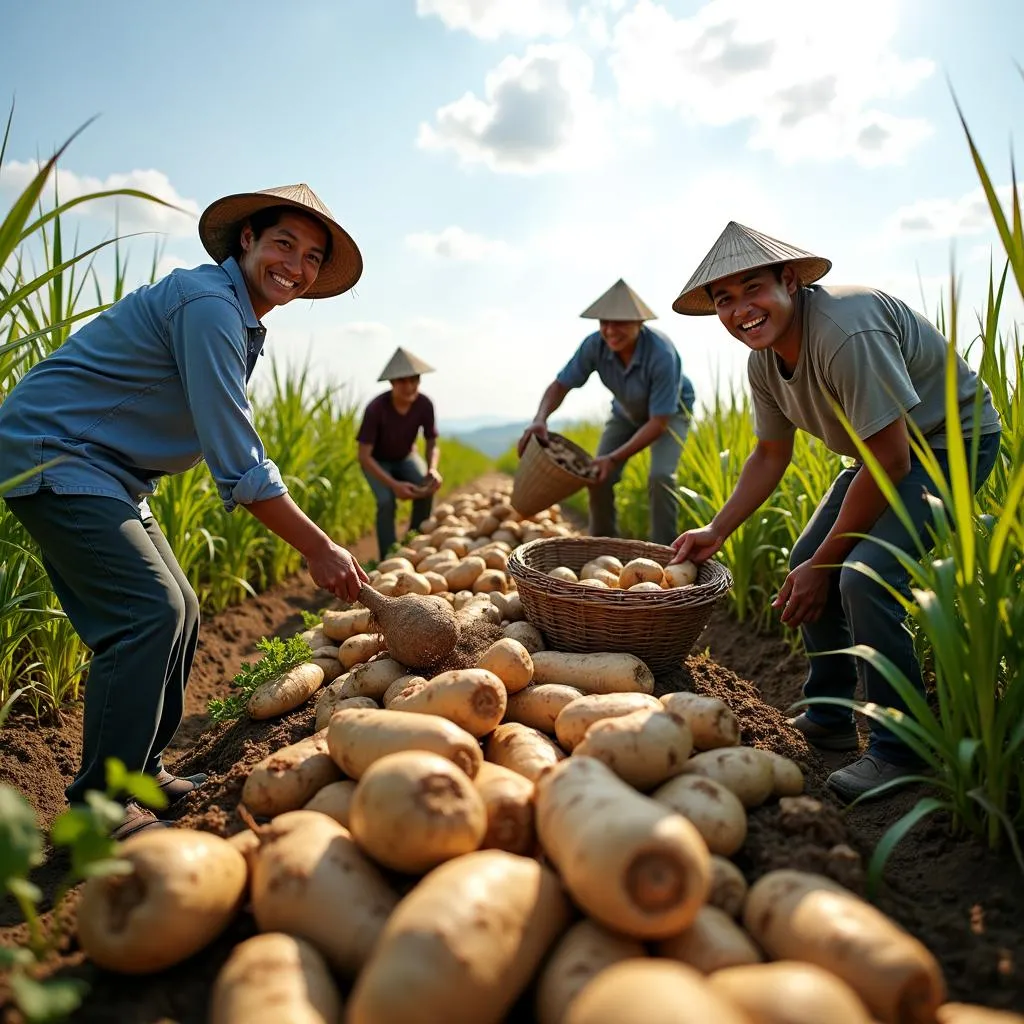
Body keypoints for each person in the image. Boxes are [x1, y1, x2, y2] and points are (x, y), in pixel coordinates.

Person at [0, 183, 370, 837]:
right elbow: (239, 462)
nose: (297, 265)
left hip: (109, 472)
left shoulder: (233, 312)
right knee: (148, 612)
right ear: (248, 240)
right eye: (285, 242)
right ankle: (98, 808)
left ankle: (143, 770)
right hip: (54, 454)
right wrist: (316, 546)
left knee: (183, 607)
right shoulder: (209, 307)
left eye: (313, 256)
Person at [668, 221, 1002, 802]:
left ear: (790, 281)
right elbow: (771, 454)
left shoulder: (846, 331)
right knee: (805, 558)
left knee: (861, 577)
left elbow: (893, 461)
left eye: (754, 288)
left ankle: (903, 749)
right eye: (725, 299)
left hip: (951, 445)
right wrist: (717, 529)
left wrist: (827, 565)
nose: (742, 309)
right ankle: (829, 714)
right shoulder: (764, 361)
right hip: (883, 456)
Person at [518, 279, 696, 547]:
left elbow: (658, 423)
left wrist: (613, 458)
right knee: (597, 474)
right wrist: (539, 419)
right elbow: (560, 385)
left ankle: (665, 551)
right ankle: (602, 546)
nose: (611, 331)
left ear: (639, 323)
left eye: (620, 323)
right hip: (625, 412)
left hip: (670, 413)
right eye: (604, 323)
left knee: (660, 476)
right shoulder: (594, 345)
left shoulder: (662, 354)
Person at [357, 348, 442, 559]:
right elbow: (364, 456)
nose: (409, 386)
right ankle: (389, 555)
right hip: (376, 461)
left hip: (405, 457)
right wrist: (394, 486)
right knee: (386, 501)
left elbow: (432, 442)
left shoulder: (425, 404)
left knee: (426, 486)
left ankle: (415, 542)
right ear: (392, 383)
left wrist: (432, 469)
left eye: (414, 380)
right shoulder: (376, 409)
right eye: (403, 381)